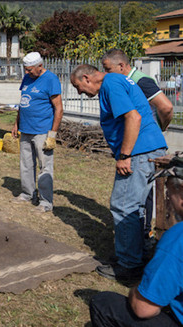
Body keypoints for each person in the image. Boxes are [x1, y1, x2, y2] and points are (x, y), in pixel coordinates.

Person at [70, 65, 167, 280]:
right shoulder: (117, 81)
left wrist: (124, 155)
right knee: (136, 207)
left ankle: (129, 265)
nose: (79, 93)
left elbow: (133, 118)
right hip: (147, 148)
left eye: (78, 87)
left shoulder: (110, 83)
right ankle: (136, 255)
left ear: (86, 78)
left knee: (123, 205)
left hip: (139, 152)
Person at [89, 155, 183, 327]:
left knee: (104, 305)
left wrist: (137, 289)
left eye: (169, 189)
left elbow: (143, 309)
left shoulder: (177, 239)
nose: (167, 196)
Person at [101, 49, 174, 256]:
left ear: (122, 66)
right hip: (145, 146)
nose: (105, 74)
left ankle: (131, 259)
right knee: (140, 202)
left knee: (130, 204)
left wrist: (159, 128)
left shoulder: (139, 82)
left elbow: (166, 107)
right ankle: (141, 245)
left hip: (142, 149)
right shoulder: (124, 81)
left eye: (108, 69)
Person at [11, 51, 63, 213]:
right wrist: (16, 123)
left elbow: (59, 108)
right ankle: (28, 193)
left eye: (30, 69)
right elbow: (23, 101)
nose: (27, 73)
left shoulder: (51, 79)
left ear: (40, 66)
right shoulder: (27, 77)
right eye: (26, 69)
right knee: (26, 164)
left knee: (45, 167)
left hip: (42, 130)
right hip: (25, 129)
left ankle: (46, 202)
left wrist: (52, 135)